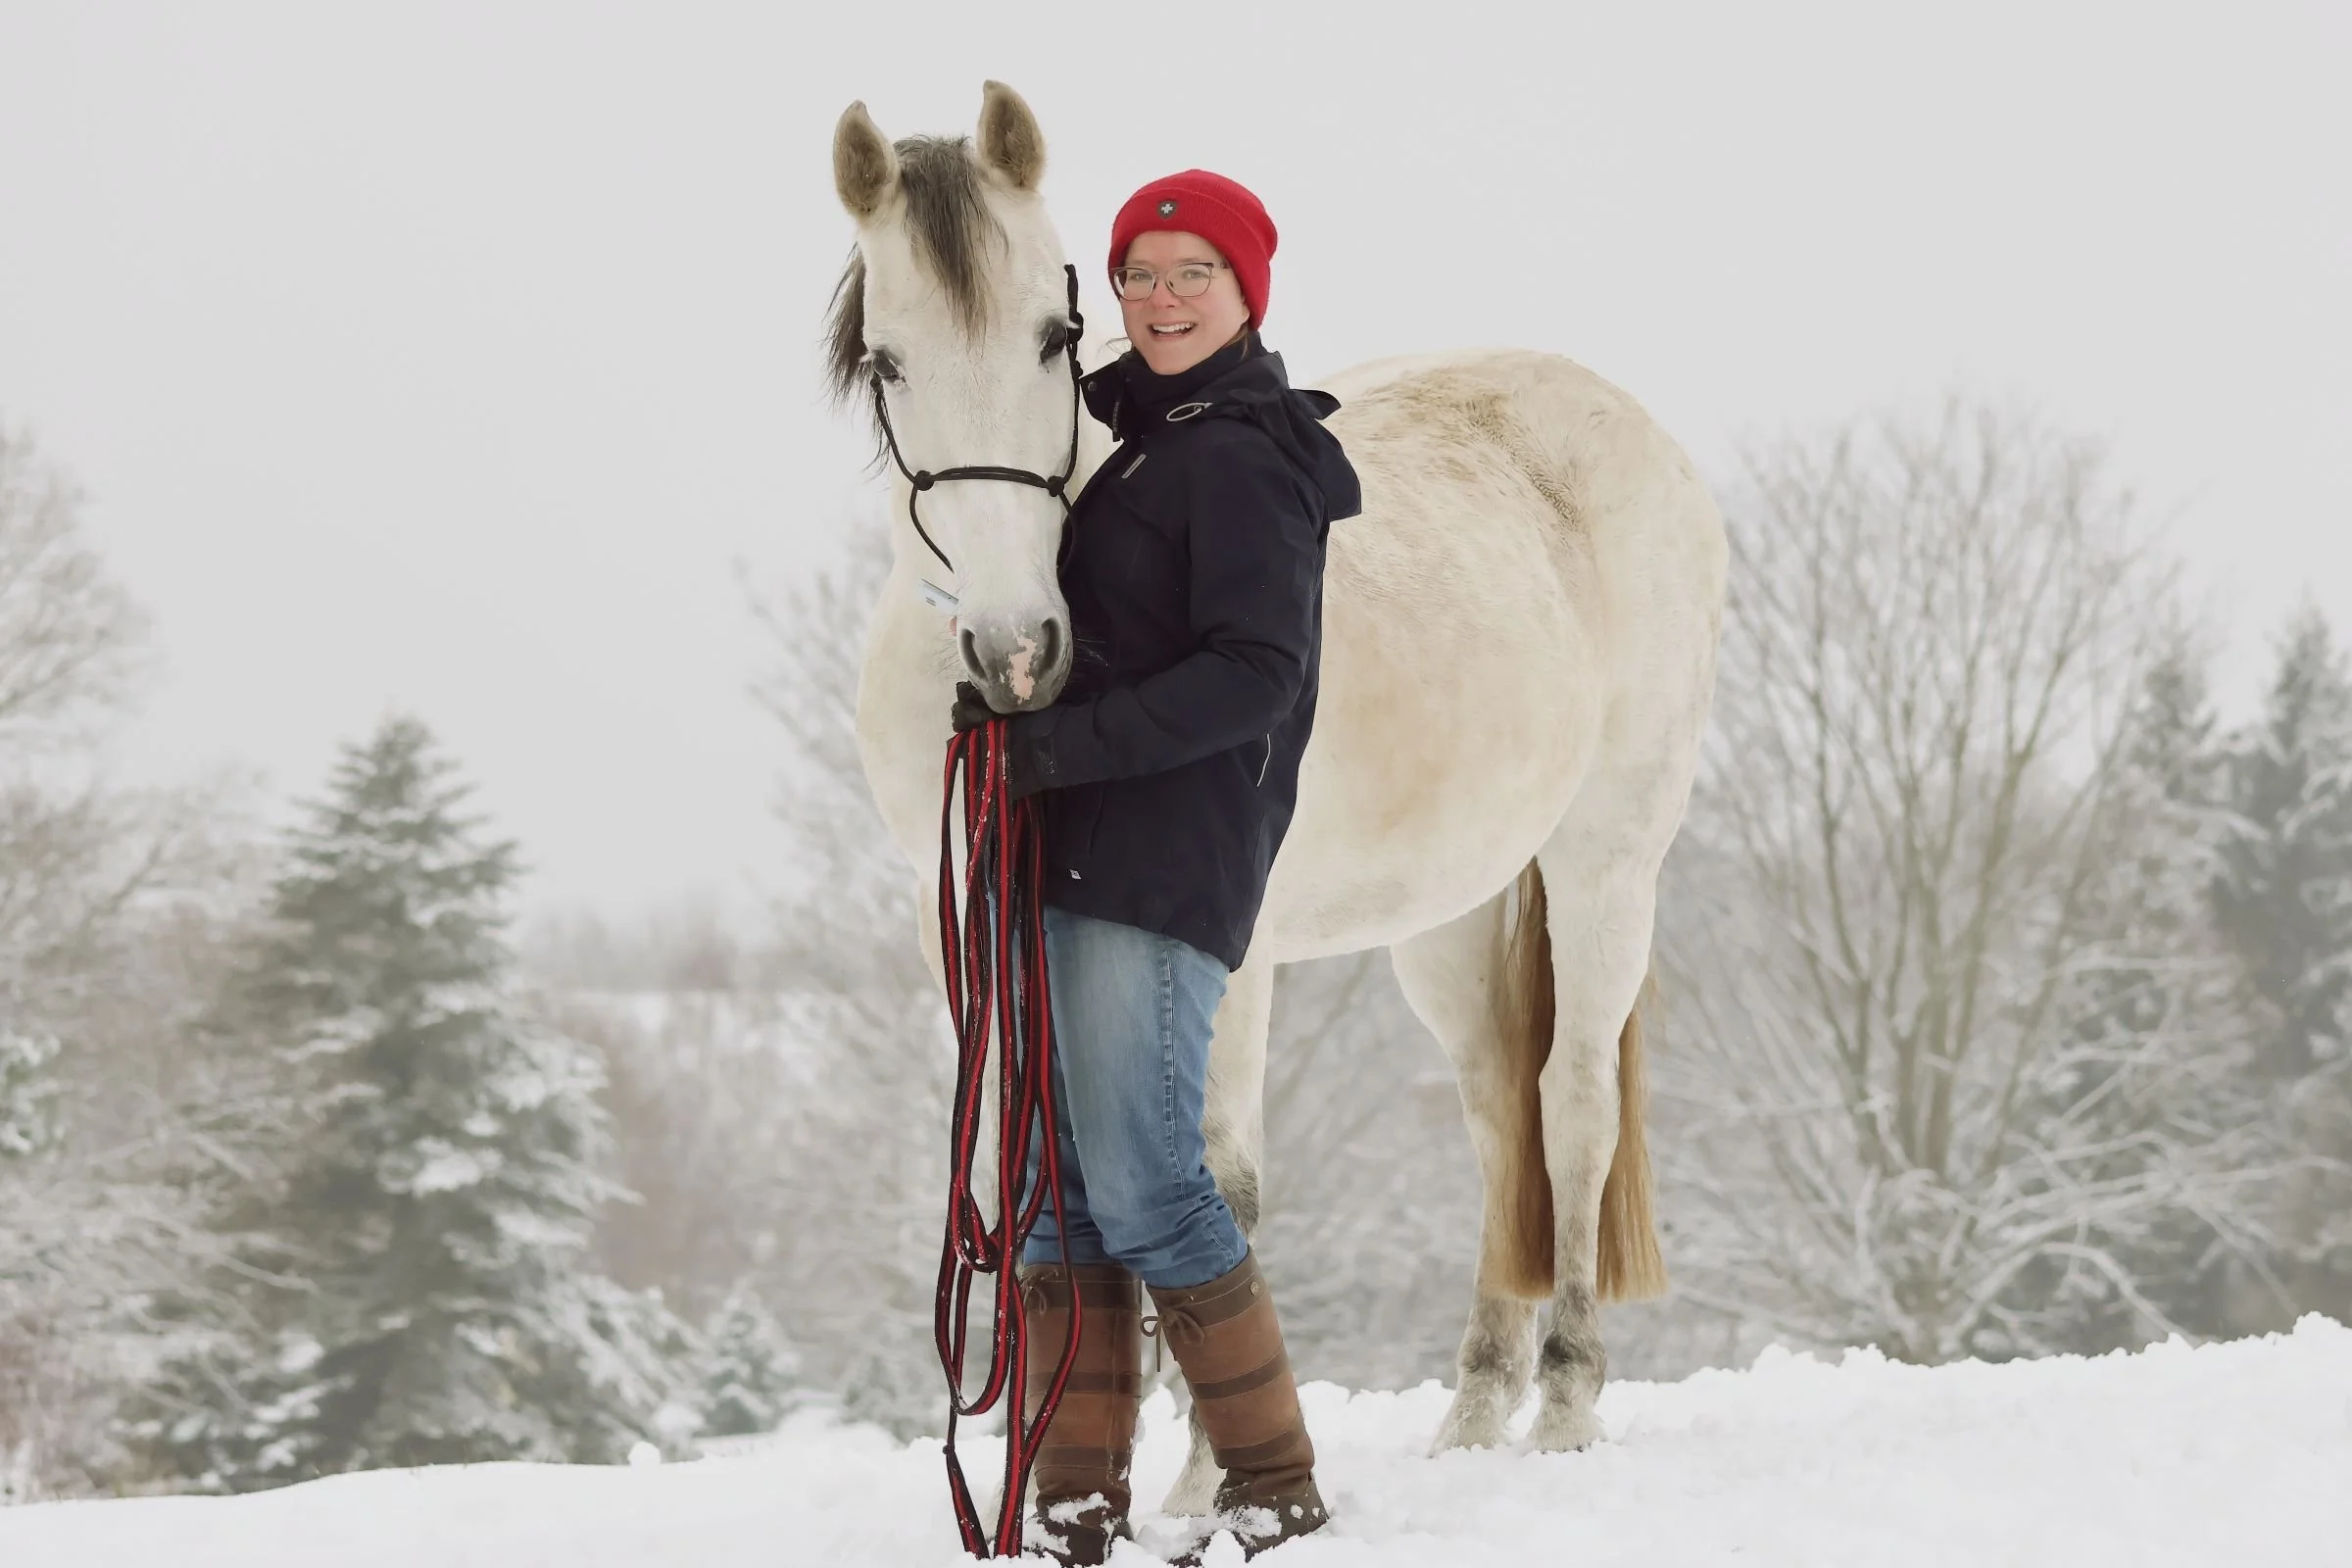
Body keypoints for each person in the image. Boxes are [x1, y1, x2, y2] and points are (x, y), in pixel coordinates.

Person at [952, 170, 1361, 1563]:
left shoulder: (1242, 453)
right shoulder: (1137, 436)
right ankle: (1074, 1502)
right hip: (1079, 851)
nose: (1166, 297)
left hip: (1160, 857)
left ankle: (1273, 1481)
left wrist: (1056, 752)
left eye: (1197, 272)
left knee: (1145, 1187)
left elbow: (1256, 673)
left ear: (1248, 293)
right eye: (1142, 272)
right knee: (1060, 1192)